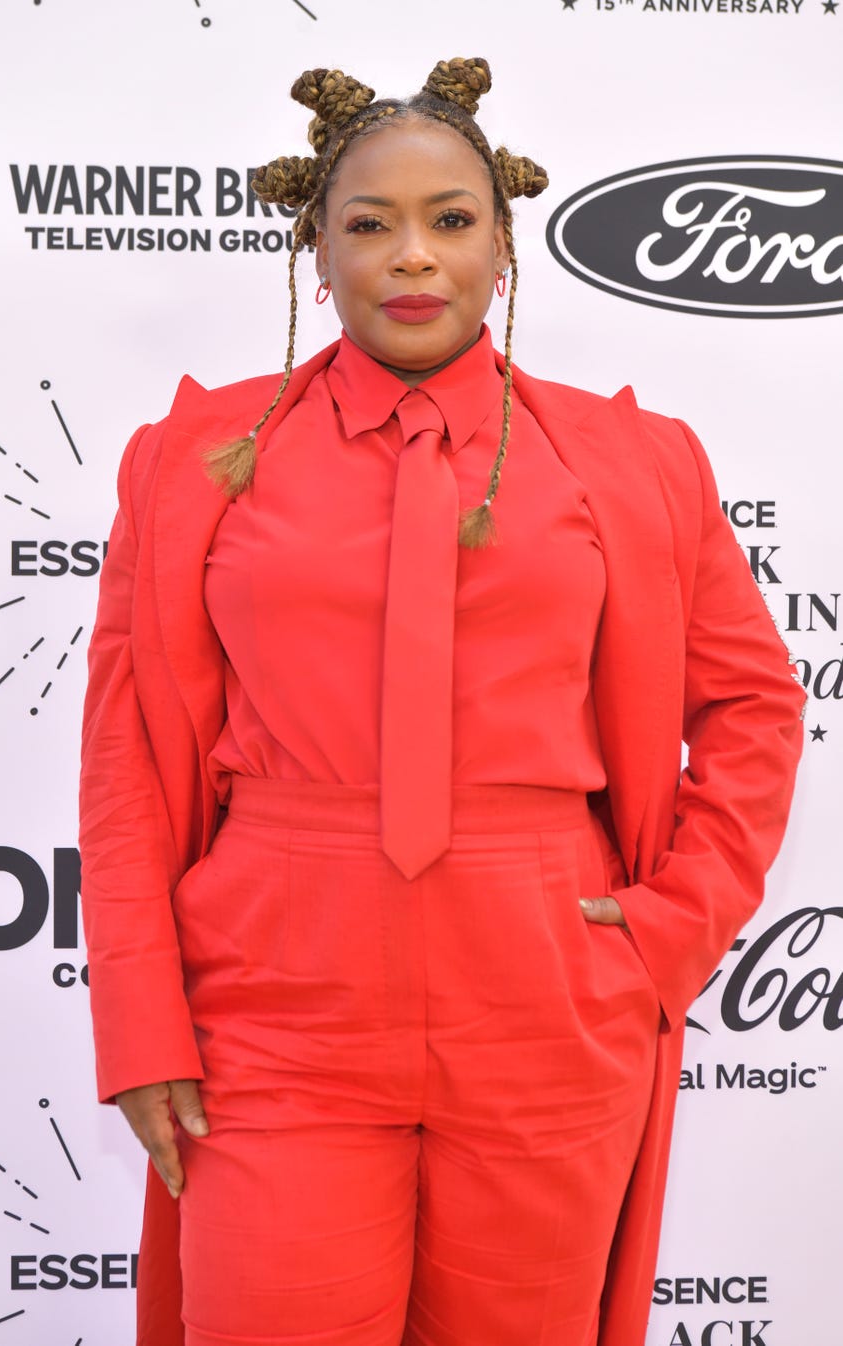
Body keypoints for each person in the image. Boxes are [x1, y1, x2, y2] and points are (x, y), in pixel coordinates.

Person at [78, 57, 805, 1346]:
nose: (414, 256)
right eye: (370, 224)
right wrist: (140, 1020)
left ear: (505, 247)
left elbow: (751, 707)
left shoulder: (635, 463)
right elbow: (129, 758)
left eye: (452, 219)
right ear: (317, 251)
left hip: (546, 990)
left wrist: (665, 931)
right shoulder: (189, 464)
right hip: (275, 999)